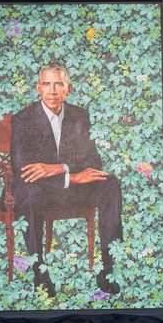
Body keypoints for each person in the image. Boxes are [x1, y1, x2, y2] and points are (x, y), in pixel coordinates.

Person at [11, 62, 123, 296]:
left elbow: (93, 161)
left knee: (110, 184)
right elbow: (24, 169)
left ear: (68, 89)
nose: (52, 90)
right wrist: (71, 176)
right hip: (40, 190)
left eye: (58, 84)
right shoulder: (23, 119)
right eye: (46, 84)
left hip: (69, 187)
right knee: (28, 194)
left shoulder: (79, 115)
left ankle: (107, 268)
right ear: (37, 88)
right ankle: (40, 273)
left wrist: (60, 169)